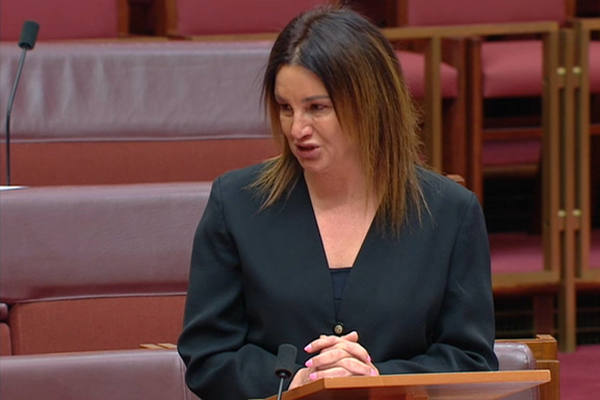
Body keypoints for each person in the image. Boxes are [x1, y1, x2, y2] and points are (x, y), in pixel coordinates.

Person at [178, 5, 498, 400]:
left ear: (371, 102)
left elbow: (471, 360)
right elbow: (208, 355)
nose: (298, 129)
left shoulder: (450, 213)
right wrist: (295, 383)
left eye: (317, 108)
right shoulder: (237, 203)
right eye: (286, 108)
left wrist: (376, 379)